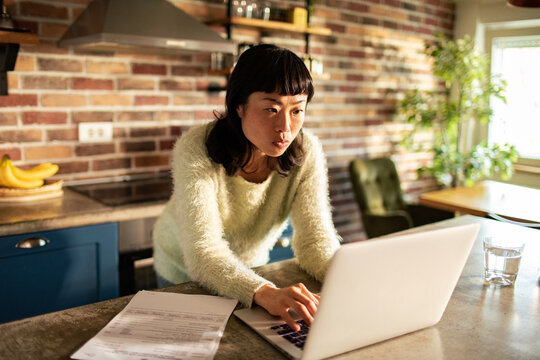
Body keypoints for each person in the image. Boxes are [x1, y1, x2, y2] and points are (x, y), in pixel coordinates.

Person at [152, 44, 341, 331]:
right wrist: (265, 292)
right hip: (183, 272)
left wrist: (348, 281)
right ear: (239, 105)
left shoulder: (307, 150)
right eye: (271, 109)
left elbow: (315, 241)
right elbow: (205, 252)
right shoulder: (196, 148)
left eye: (297, 111)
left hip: (248, 273)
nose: (285, 127)